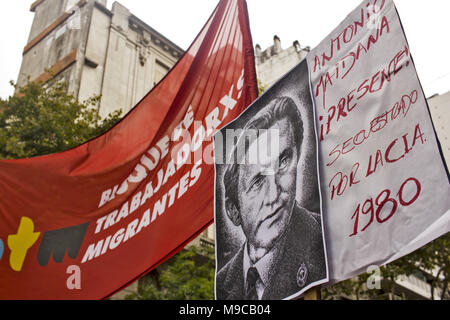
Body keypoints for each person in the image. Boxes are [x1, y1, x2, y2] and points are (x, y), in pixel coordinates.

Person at [216, 96, 326, 300]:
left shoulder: (323, 239)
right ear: (233, 210)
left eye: (283, 161)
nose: (274, 194)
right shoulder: (223, 283)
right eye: (257, 181)